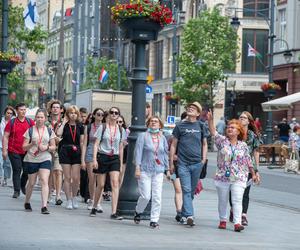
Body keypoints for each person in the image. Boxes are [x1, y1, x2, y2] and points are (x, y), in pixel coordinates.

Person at [207, 111, 257, 232]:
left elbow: (248, 161)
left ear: (239, 131)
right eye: (229, 127)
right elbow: (213, 132)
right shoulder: (222, 141)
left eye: (233, 127)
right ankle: (223, 220)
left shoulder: (243, 145)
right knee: (223, 200)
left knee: (237, 200)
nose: (230, 129)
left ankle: (237, 223)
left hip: (239, 176)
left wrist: (254, 174)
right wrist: (210, 121)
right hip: (223, 176)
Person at [169, 102, 208, 227]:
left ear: (198, 113)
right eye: (190, 107)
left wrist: (203, 160)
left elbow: (205, 144)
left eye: (194, 108)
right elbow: (173, 144)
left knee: (190, 192)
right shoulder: (180, 126)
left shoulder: (201, 126)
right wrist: (171, 163)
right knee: (185, 189)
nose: (191, 109)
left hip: (197, 163)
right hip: (183, 164)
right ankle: (190, 215)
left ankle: (184, 215)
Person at [90, 107, 125, 220]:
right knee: (100, 185)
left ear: (119, 115)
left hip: (114, 157)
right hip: (103, 156)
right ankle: (94, 206)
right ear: (108, 114)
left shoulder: (121, 130)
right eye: (112, 112)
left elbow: (121, 147)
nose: (114, 114)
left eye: (116, 113)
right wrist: (94, 159)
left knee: (115, 183)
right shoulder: (103, 127)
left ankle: (114, 212)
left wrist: (120, 163)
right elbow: (96, 144)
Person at [133, 116, 169, 228]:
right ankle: (138, 211)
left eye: (156, 121)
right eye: (152, 121)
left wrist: (167, 170)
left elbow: (165, 154)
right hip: (145, 169)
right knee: (146, 196)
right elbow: (138, 152)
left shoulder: (162, 138)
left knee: (157, 196)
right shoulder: (143, 136)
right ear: (148, 124)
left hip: (158, 170)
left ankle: (154, 219)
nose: (153, 123)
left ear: (160, 125)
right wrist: (137, 168)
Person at [229, 111, 261, 226]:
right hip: (234, 166)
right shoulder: (234, 132)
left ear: (249, 121)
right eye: (240, 117)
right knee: (232, 191)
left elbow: (256, 152)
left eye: (244, 118)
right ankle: (233, 210)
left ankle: (243, 215)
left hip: (248, 167)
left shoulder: (253, 135)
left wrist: (256, 170)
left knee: (245, 192)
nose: (242, 119)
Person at [22, 109, 56, 214]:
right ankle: (27, 201)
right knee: (31, 183)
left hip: (45, 158)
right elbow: (23, 147)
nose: (40, 119)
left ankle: (44, 206)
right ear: (35, 118)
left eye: (42, 117)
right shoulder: (30, 130)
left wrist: (46, 148)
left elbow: (53, 146)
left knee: (44, 180)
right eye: (38, 117)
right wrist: (32, 144)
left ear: (45, 119)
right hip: (32, 158)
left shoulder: (49, 131)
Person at [2, 103, 35, 198]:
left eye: (24, 109)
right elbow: (5, 136)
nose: (23, 111)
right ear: (17, 111)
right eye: (21, 110)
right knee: (17, 169)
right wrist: (4, 150)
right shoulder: (12, 122)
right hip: (14, 150)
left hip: (27, 151)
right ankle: (16, 190)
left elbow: (36, 133)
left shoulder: (30, 122)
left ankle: (22, 185)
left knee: (26, 170)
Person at [56, 105, 84, 209]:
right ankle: (68, 200)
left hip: (77, 151)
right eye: (71, 113)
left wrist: (82, 157)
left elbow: (82, 142)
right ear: (67, 114)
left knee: (76, 178)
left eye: (75, 113)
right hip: (65, 151)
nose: (73, 115)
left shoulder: (80, 126)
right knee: (67, 177)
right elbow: (58, 134)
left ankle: (74, 197)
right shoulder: (65, 125)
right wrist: (63, 123)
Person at [81, 108, 105, 210]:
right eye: (98, 114)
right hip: (90, 152)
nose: (100, 116)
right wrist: (82, 160)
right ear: (94, 115)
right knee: (92, 178)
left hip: (102, 153)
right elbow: (85, 144)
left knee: (101, 180)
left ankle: (98, 202)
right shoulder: (89, 127)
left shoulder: (105, 127)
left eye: (102, 114)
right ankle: (92, 199)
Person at [167, 111, 187, 222]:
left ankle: (185, 210)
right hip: (174, 167)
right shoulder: (173, 137)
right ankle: (179, 211)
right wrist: (169, 165)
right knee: (178, 189)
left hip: (187, 165)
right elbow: (168, 151)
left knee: (186, 190)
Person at [47, 100, 64, 205]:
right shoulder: (45, 121)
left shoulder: (64, 123)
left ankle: (58, 195)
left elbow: (67, 137)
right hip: (47, 149)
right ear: (51, 109)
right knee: (48, 173)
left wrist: (59, 140)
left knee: (58, 172)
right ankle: (48, 194)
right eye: (54, 107)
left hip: (59, 150)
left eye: (57, 107)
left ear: (61, 110)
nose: (55, 109)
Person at [0, 106, 15, 186]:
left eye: (11, 113)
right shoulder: (1, 121)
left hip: (9, 145)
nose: (9, 114)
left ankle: (5, 178)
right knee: (0, 162)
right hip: (0, 144)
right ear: (5, 113)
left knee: (7, 163)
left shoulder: (13, 122)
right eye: (8, 113)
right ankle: (0, 177)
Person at [117, 115, 128, 187]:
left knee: (121, 175)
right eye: (117, 121)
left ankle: (118, 192)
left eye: (120, 122)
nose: (118, 123)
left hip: (123, 153)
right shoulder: (109, 129)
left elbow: (125, 143)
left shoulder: (124, 131)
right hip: (112, 154)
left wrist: (125, 143)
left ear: (123, 123)